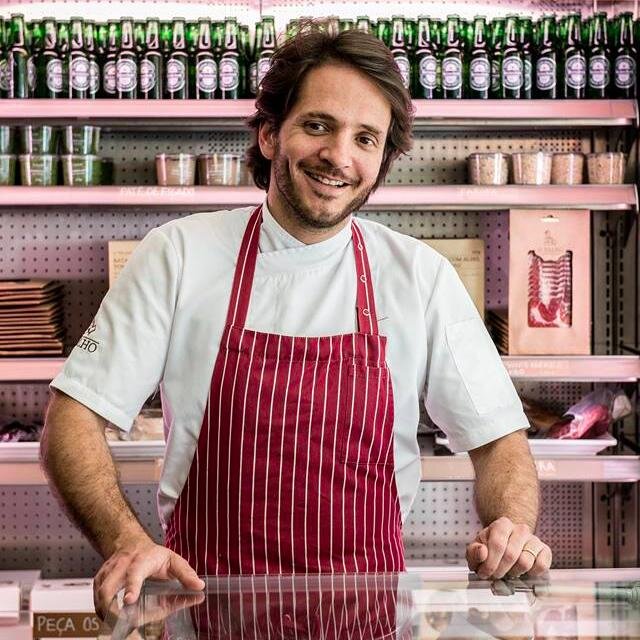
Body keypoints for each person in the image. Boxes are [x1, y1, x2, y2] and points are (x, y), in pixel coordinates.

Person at [41, 25, 552, 619]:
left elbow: (500, 443)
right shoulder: (178, 256)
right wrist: (127, 543)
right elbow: (71, 419)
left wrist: (510, 526)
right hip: (203, 610)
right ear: (267, 134)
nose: (339, 155)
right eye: (317, 125)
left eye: (366, 138)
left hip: (365, 615)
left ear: (381, 161)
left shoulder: (421, 277)